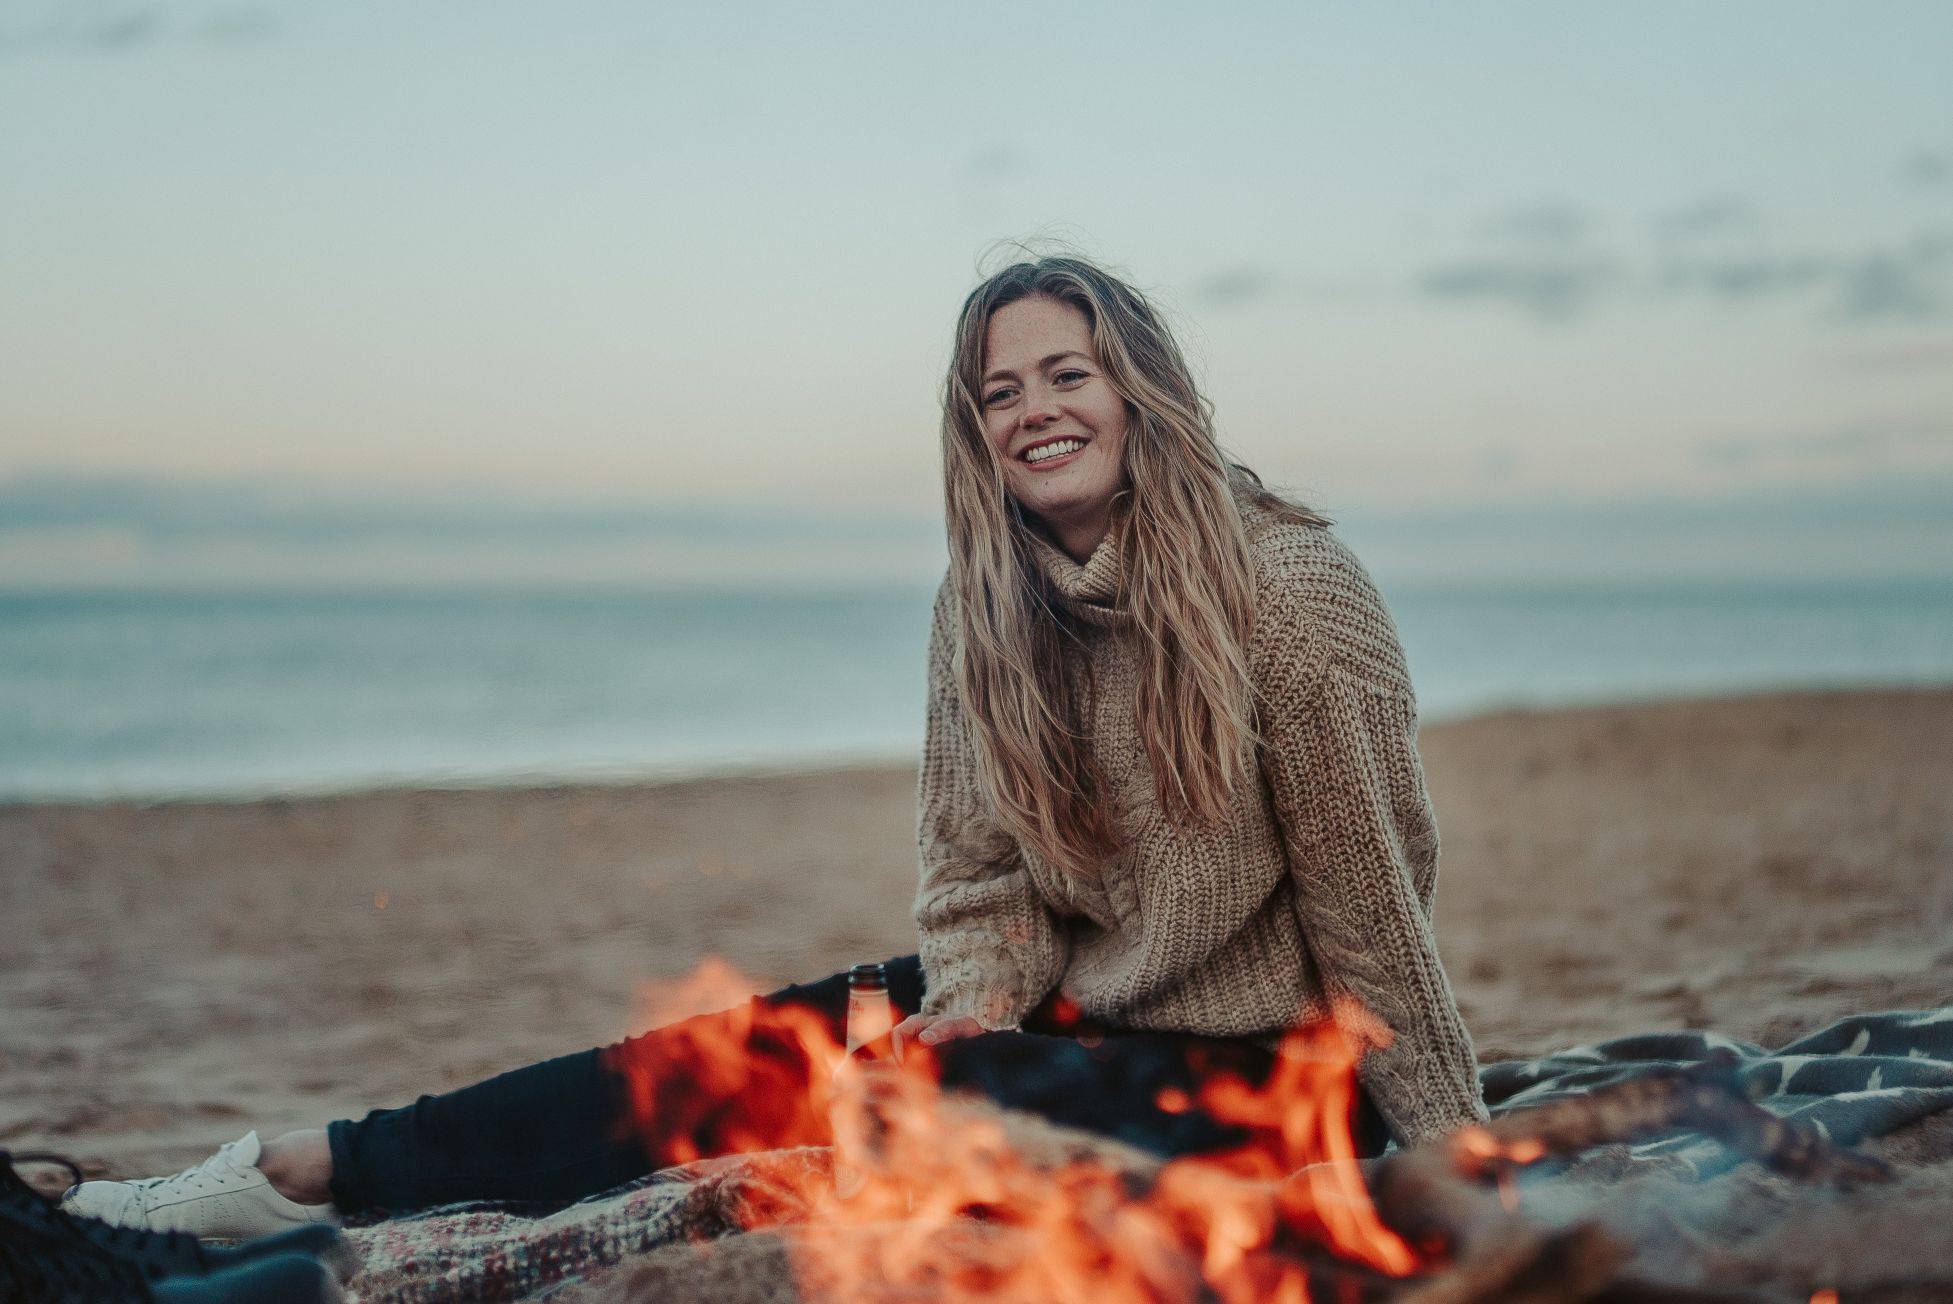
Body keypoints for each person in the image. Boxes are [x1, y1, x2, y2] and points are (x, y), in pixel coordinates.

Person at [63, 253, 1488, 1239]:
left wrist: (1445, 1158)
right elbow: (981, 886)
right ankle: (310, 1170)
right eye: (999, 392)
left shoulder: (1292, 592)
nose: (1034, 412)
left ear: (1139, 391)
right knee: (725, 1054)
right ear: (972, 427)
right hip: (1069, 1017)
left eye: (1067, 375)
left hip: (1260, 1075)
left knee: (897, 1111)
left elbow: (1374, 912)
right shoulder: (985, 609)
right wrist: (976, 997)